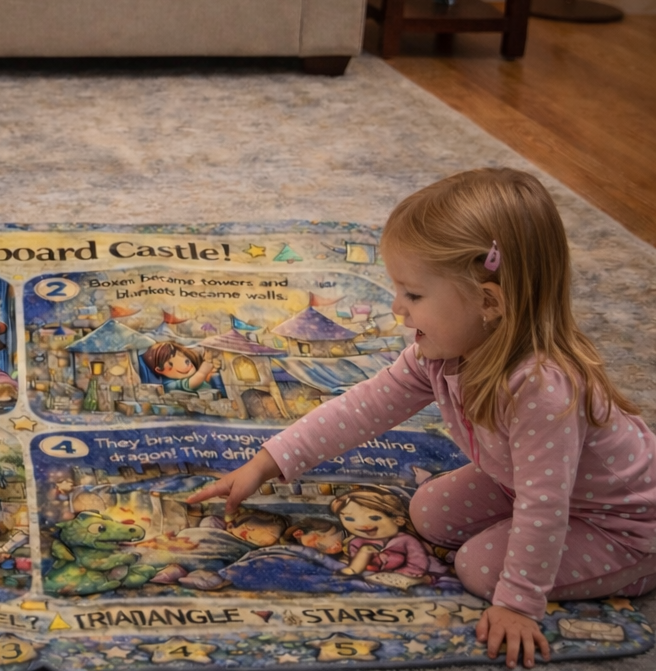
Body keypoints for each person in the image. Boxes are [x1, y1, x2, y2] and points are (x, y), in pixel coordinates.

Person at [188, 168, 656, 669]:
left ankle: (645, 564)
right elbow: (361, 408)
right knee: (428, 510)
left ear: (489, 301)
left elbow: (546, 506)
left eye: (413, 295)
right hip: (523, 483)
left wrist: (518, 603)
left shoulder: (540, 389)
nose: (397, 309)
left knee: (481, 570)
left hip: (621, 521)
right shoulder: (438, 354)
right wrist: (267, 463)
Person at [143, 341, 221, 393]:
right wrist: (204, 368)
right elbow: (192, 383)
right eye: (171, 364)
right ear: (160, 370)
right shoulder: (169, 385)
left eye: (182, 355)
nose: (186, 362)